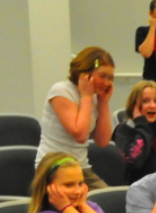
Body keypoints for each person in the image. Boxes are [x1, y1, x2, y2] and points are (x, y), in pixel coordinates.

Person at [35, 46, 115, 189]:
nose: (107, 83)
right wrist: (86, 97)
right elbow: (80, 134)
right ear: (85, 74)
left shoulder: (94, 97)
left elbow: (103, 141)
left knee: (107, 205)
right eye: (102, 76)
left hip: (80, 168)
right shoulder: (62, 91)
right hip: (54, 168)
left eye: (110, 78)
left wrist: (103, 102)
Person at [114, 80, 156, 184]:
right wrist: (142, 125)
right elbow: (135, 162)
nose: (152, 106)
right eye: (145, 101)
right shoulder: (124, 130)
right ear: (134, 106)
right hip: (136, 187)